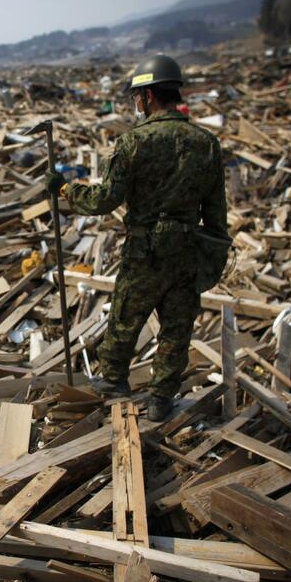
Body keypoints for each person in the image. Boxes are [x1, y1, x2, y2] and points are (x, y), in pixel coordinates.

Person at [45, 54, 227, 422]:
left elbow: (104, 200)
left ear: (146, 97)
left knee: (127, 316)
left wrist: (64, 189)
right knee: (177, 327)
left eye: (136, 97)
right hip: (188, 249)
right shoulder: (206, 143)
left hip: (145, 250)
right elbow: (216, 210)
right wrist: (214, 253)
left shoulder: (134, 142)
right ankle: (162, 398)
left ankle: (114, 380)